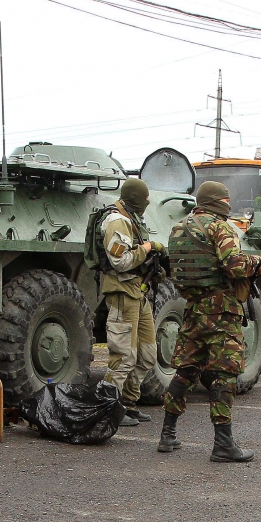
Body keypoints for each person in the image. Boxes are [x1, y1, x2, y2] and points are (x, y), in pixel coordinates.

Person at [157, 180, 261, 462]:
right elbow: (235, 265)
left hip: (194, 309)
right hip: (222, 311)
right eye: (227, 201)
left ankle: (167, 434)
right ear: (220, 202)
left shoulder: (179, 228)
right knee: (224, 373)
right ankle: (223, 444)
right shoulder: (219, 227)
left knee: (186, 370)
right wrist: (257, 264)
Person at [99, 178, 159, 425]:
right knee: (122, 355)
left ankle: (129, 403)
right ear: (135, 198)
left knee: (146, 354)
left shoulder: (132, 219)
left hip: (138, 291)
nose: (147, 202)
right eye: (144, 198)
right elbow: (120, 261)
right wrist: (147, 247)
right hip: (122, 293)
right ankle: (107, 408)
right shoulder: (117, 221)